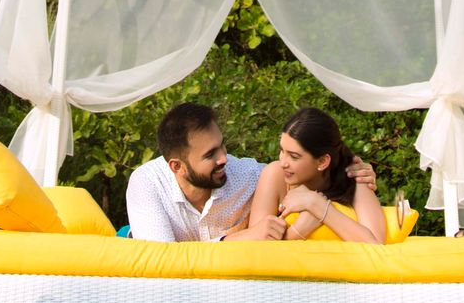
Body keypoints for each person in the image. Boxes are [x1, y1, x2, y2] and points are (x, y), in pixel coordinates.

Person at [125, 102, 376, 242]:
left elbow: (296, 171)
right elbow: (163, 263)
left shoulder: (247, 175)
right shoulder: (147, 183)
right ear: (176, 167)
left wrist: (350, 171)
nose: (224, 158)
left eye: (222, 145)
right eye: (210, 154)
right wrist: (238, 239)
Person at [248, 107, 387, 244]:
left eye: (294, 156)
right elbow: (256, 245)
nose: (283, 162)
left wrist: (317, 205)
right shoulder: (275, 175)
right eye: (282, 151)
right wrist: (297, 232)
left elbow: (376, 244)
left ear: (322, 161)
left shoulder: (355, 176)